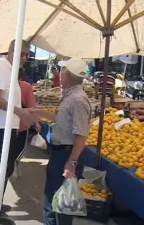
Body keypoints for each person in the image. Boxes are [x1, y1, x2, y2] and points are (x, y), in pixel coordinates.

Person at [32, 58, 91, 225]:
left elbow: (81, 134)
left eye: (62, 71)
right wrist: (43, 113)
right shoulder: (71, 96)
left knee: (61, 205)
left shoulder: (78, 99)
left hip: (66, 155)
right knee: (52, 200)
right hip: (60, 153)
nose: (60, 75)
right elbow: (65, 121)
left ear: (66, 74)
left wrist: (72, 162)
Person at [0, 39, 34, 223]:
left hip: (4, 124)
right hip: (1, 125)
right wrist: (18, 110)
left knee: (1, 165)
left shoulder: (8, 69)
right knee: (1, 166)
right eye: (26, 55)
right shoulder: (1, 68)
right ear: (17, 52)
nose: (26, 59)